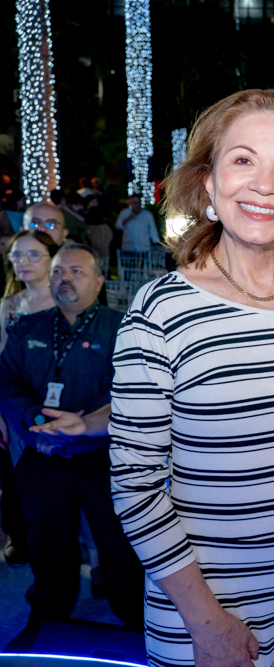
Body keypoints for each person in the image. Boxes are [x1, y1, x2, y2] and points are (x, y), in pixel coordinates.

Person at [108, 89, 274, 667]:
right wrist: (207, 623)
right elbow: (135, 485)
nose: (266, 184)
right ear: (208, 185)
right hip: (211, 616)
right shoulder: (160, 311)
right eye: (244, 159)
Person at [0, 243, 145, 645]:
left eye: (77, 272)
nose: (66, 278)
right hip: (42, 453)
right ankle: (47, 614)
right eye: (60, 271)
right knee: (47, 542)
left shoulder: (123, 328)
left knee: (116, 540)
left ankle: (134, 617)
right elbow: (6, 380)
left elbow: (132, 391)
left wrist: (83, 425)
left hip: (102, 456)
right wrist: (33, 420)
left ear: (100, 281)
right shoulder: (28, 327)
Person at [0, 230, 59, 566]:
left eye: (33, 254)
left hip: (60, 407)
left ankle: (94, 559)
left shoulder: (66, 299)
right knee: (21, 483)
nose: (23, 262)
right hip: (15, 410)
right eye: (17, 255)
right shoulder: (8, 307)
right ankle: (26, 543)